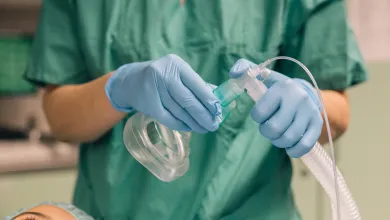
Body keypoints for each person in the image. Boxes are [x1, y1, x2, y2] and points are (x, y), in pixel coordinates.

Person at [22, 0, 368, 219]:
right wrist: (119, 87)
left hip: (254, 208)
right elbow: (60, 117)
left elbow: (337, 111)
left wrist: (310, 106)